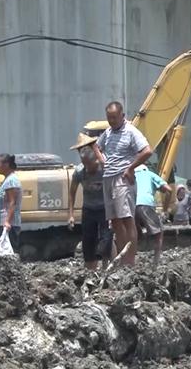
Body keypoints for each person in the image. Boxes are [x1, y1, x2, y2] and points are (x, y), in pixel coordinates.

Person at [92, 101, 152, 266]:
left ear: (122, 116)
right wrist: (103, 162)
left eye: (114, 118)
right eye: (109, 118)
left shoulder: (131, 131)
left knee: (127, 218)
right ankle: (121, 259)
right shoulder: (108, 132)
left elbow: (147, 151)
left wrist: (131, 168)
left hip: (122, 178)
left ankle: (130, 261)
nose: (111, 121)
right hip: (108, 178)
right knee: (115, 220)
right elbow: (96, 146)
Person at [68, 133, 111, 270]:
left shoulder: (104, 168)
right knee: (88, 241)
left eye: (90, 165)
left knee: (106, 239)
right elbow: (72, 192)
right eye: (85, 164)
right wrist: (71, 214)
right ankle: (90, 270)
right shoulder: (80, 172)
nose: (88, 168)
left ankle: (107, 267)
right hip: (89, 209)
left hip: (105, 208)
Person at [134, 164, 171, 266]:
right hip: (145, 204)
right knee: (159, 232)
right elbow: (169, 190)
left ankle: (132, 259)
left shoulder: (131, 175)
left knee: (135, 234)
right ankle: (156, 261)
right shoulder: (150, 174)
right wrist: (165, 209)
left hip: (130, 205)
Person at [0, 153, 22, 252]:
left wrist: (7, 222)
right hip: (5, 223)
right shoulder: (7, 180)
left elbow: (12, 202)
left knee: (10, 252)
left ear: (6, 165)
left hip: (10, 225)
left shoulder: (11, 181)